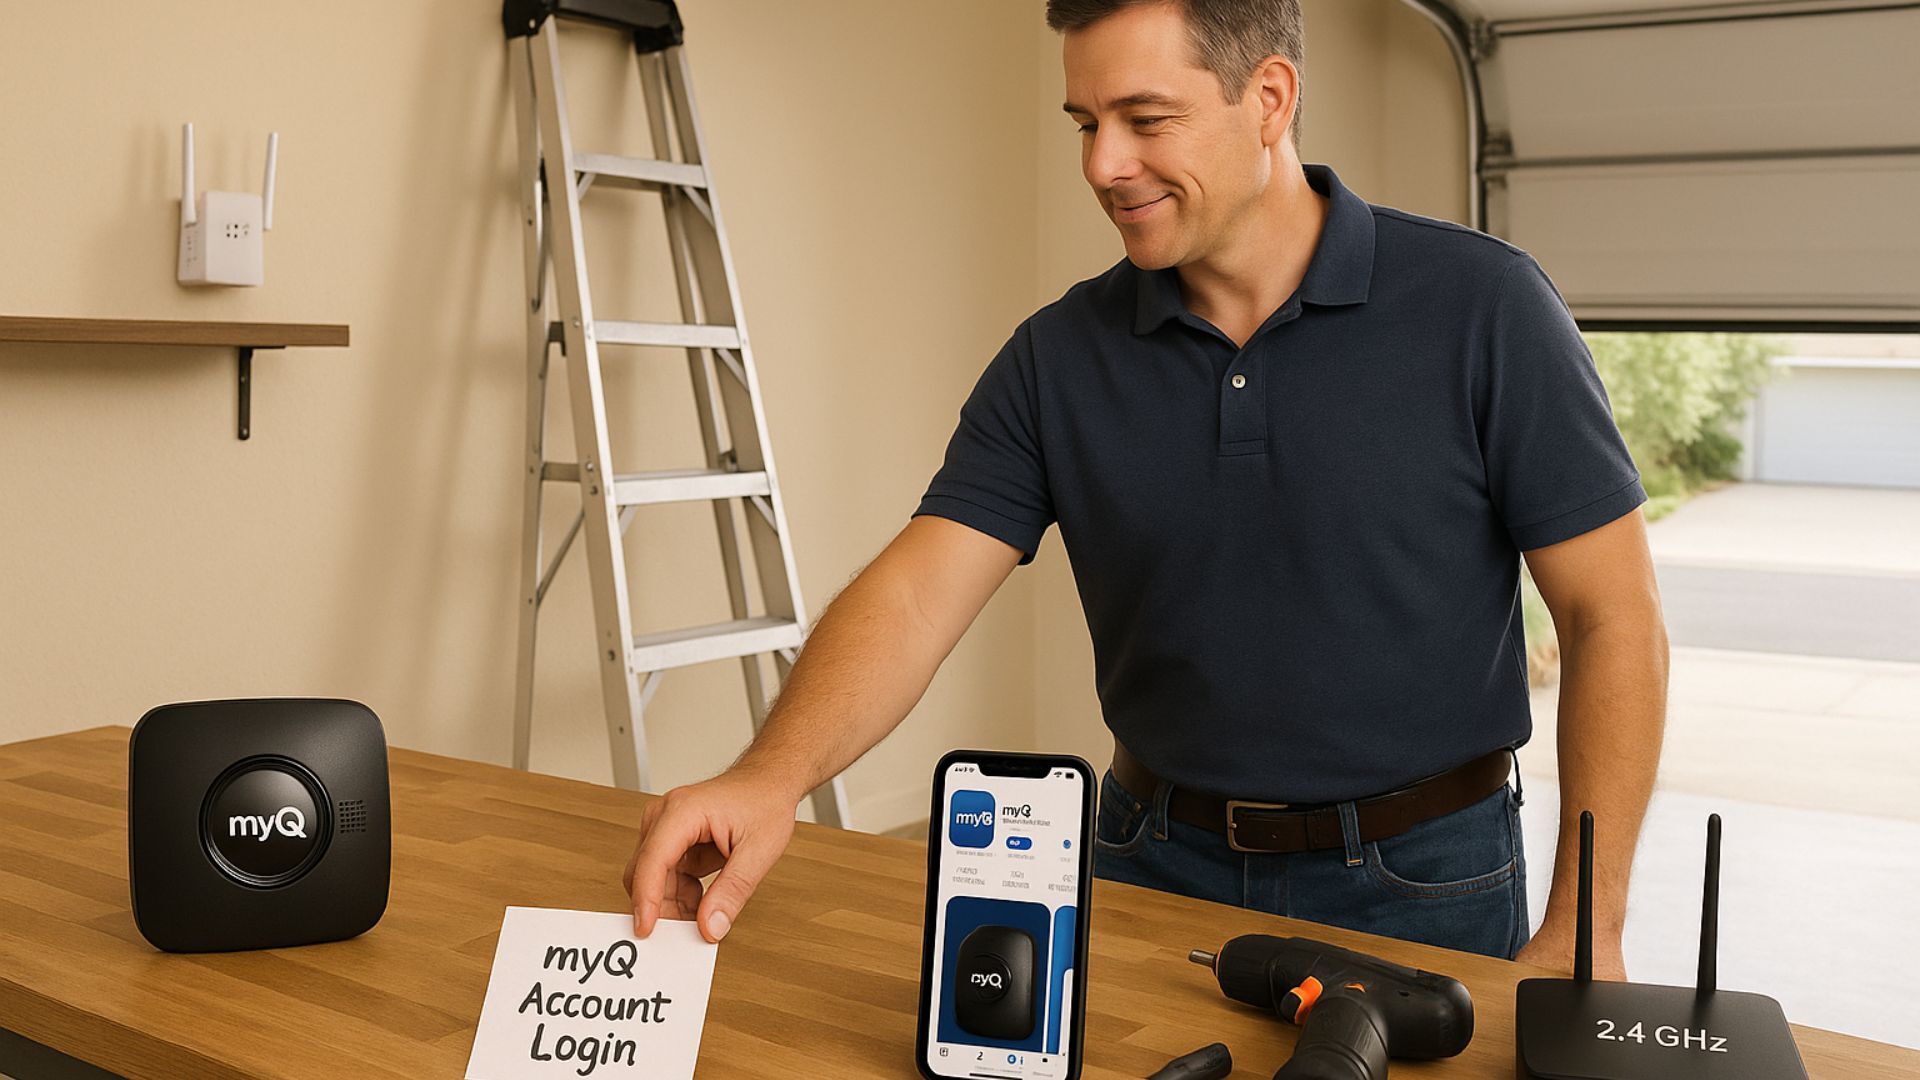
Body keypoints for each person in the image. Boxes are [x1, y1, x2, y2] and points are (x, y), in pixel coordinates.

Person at [623, 0, 1666, 979]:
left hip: (1428, 881)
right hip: (1148, 862)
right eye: (1085, 123)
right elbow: (914, 596)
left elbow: (1612, 618)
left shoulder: (1484, 308)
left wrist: (1588, 928)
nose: (1103, 164)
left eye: (1145, 119)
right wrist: (768, 777)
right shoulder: (1056, 358)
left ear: (1269, 98)